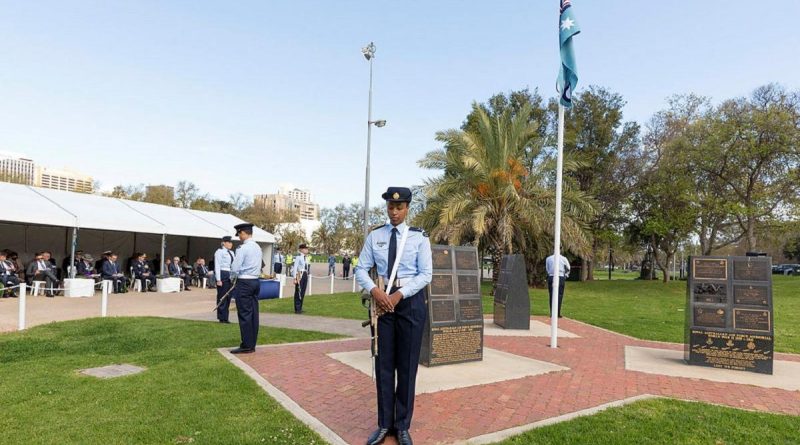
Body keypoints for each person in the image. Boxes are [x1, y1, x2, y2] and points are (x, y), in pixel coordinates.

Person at [355, 186, 432, 445]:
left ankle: (402, 426)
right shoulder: (375, 236)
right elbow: (361, 269)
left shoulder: (419, 238)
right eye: (390, 207)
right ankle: (384, 423)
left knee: (407, 366)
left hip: (409, 303)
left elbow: (426, 274)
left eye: (399, 207)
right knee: (384, 365)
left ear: (408, 208)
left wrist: (398, 296)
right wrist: (375, 291)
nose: (394, 212)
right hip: (382, 301)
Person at [229, 223, 263, 354]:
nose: (239, 237)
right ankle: (252, 343)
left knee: (244, 314)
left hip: (245, 281)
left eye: (239, 234)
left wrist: (232, 278)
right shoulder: (258, 247)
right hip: (255, 281)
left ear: (243, 233)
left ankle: (246, 345)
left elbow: (235, 267)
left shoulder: (242, 248)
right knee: (254, 313)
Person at [214, 236, 235, 323]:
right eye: (228, 242)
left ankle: (225, 317)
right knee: (222, 296)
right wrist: (218, 279)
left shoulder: (232, 253)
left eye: (231, 242)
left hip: (230, 274)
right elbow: (217, 265)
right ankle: (221, 317)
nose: (230, 244)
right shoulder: (220, 252)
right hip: (223, 273)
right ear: (224, 243)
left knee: (228, 296)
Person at [546, 253, 571, 318]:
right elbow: (568, 268)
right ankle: (557, 313)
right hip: (560, 277)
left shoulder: (548, 258)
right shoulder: (563, 258)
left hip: (551, 276)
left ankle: (552, 313)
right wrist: (566, 275)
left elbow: (547, 269)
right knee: (560, 295)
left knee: (551, 295)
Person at [292, 243, 310, 314]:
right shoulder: (298, 257)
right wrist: (294, 278)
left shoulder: (306, 257)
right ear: (301, 250)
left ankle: (300, 307)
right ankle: (297, 308)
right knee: (298, 291)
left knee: (303, 291)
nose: (307, 250)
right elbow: (295, 268)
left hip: (305, 274)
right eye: (305, 249)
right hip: (300, 274)